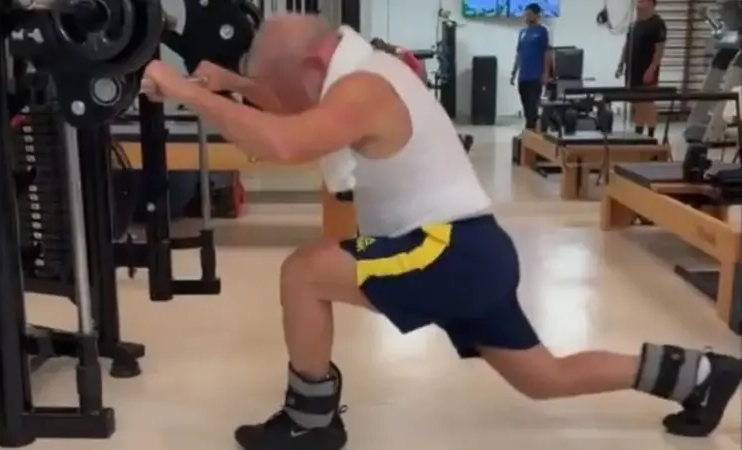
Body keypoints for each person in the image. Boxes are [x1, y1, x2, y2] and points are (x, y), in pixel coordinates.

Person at [142, 14, 742, 450]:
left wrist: (185, 91)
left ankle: (310, 422)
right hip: (475, 250)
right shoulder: (365, 70)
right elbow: (295, 111)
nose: (282, 99)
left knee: (304, 272)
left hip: (443, 250)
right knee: (543, 378)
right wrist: (237, 87)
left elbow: (286, 139)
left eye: (284, 85)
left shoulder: (362, 88)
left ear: (314, 66)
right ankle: (700, 375)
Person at [615, 0, 667, 137]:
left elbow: (659, 50)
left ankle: (650, 134)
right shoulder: (634, 24)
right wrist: (621, 64)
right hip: (633, 71)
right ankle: (638, 133)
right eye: (638, 2)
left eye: (642, 1)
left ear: (651, 3)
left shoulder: (657, 24)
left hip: (647, 71)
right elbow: (627, 45)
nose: (638, 5)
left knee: (647, 103)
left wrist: (652, 69)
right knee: (637, 104)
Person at [510, 3, 553, 130]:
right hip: (523, 77)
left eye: (529, 14)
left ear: (536, 15)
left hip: (535, 76)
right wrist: (514, 72)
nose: (527, 17)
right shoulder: (523, 33)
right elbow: (519, 54)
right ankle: (530, 130)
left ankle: (532, 132)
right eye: (525, 14)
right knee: (526, 108)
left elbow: (546, 53)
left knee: (532, 108)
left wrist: (546, 73)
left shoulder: (542, 31)